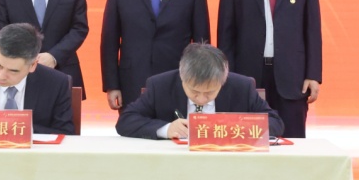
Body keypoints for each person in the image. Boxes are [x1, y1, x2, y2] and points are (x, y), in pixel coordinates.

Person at [217, 0, 321, 138]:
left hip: (292, 76)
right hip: (246, 75)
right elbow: (226, 33)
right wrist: (226, 76)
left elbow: (312, 31)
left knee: (291, 139)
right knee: (246, 139)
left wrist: (313, 75)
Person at [116, 44, 282, 139]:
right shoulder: (160, 85)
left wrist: (234, 128)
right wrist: (167, 129)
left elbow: (276, 123)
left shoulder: (242, 87)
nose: (201, 98)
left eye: (210, 92)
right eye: (194, 91)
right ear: (182, 77)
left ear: (223, 81)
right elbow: (125, 121)